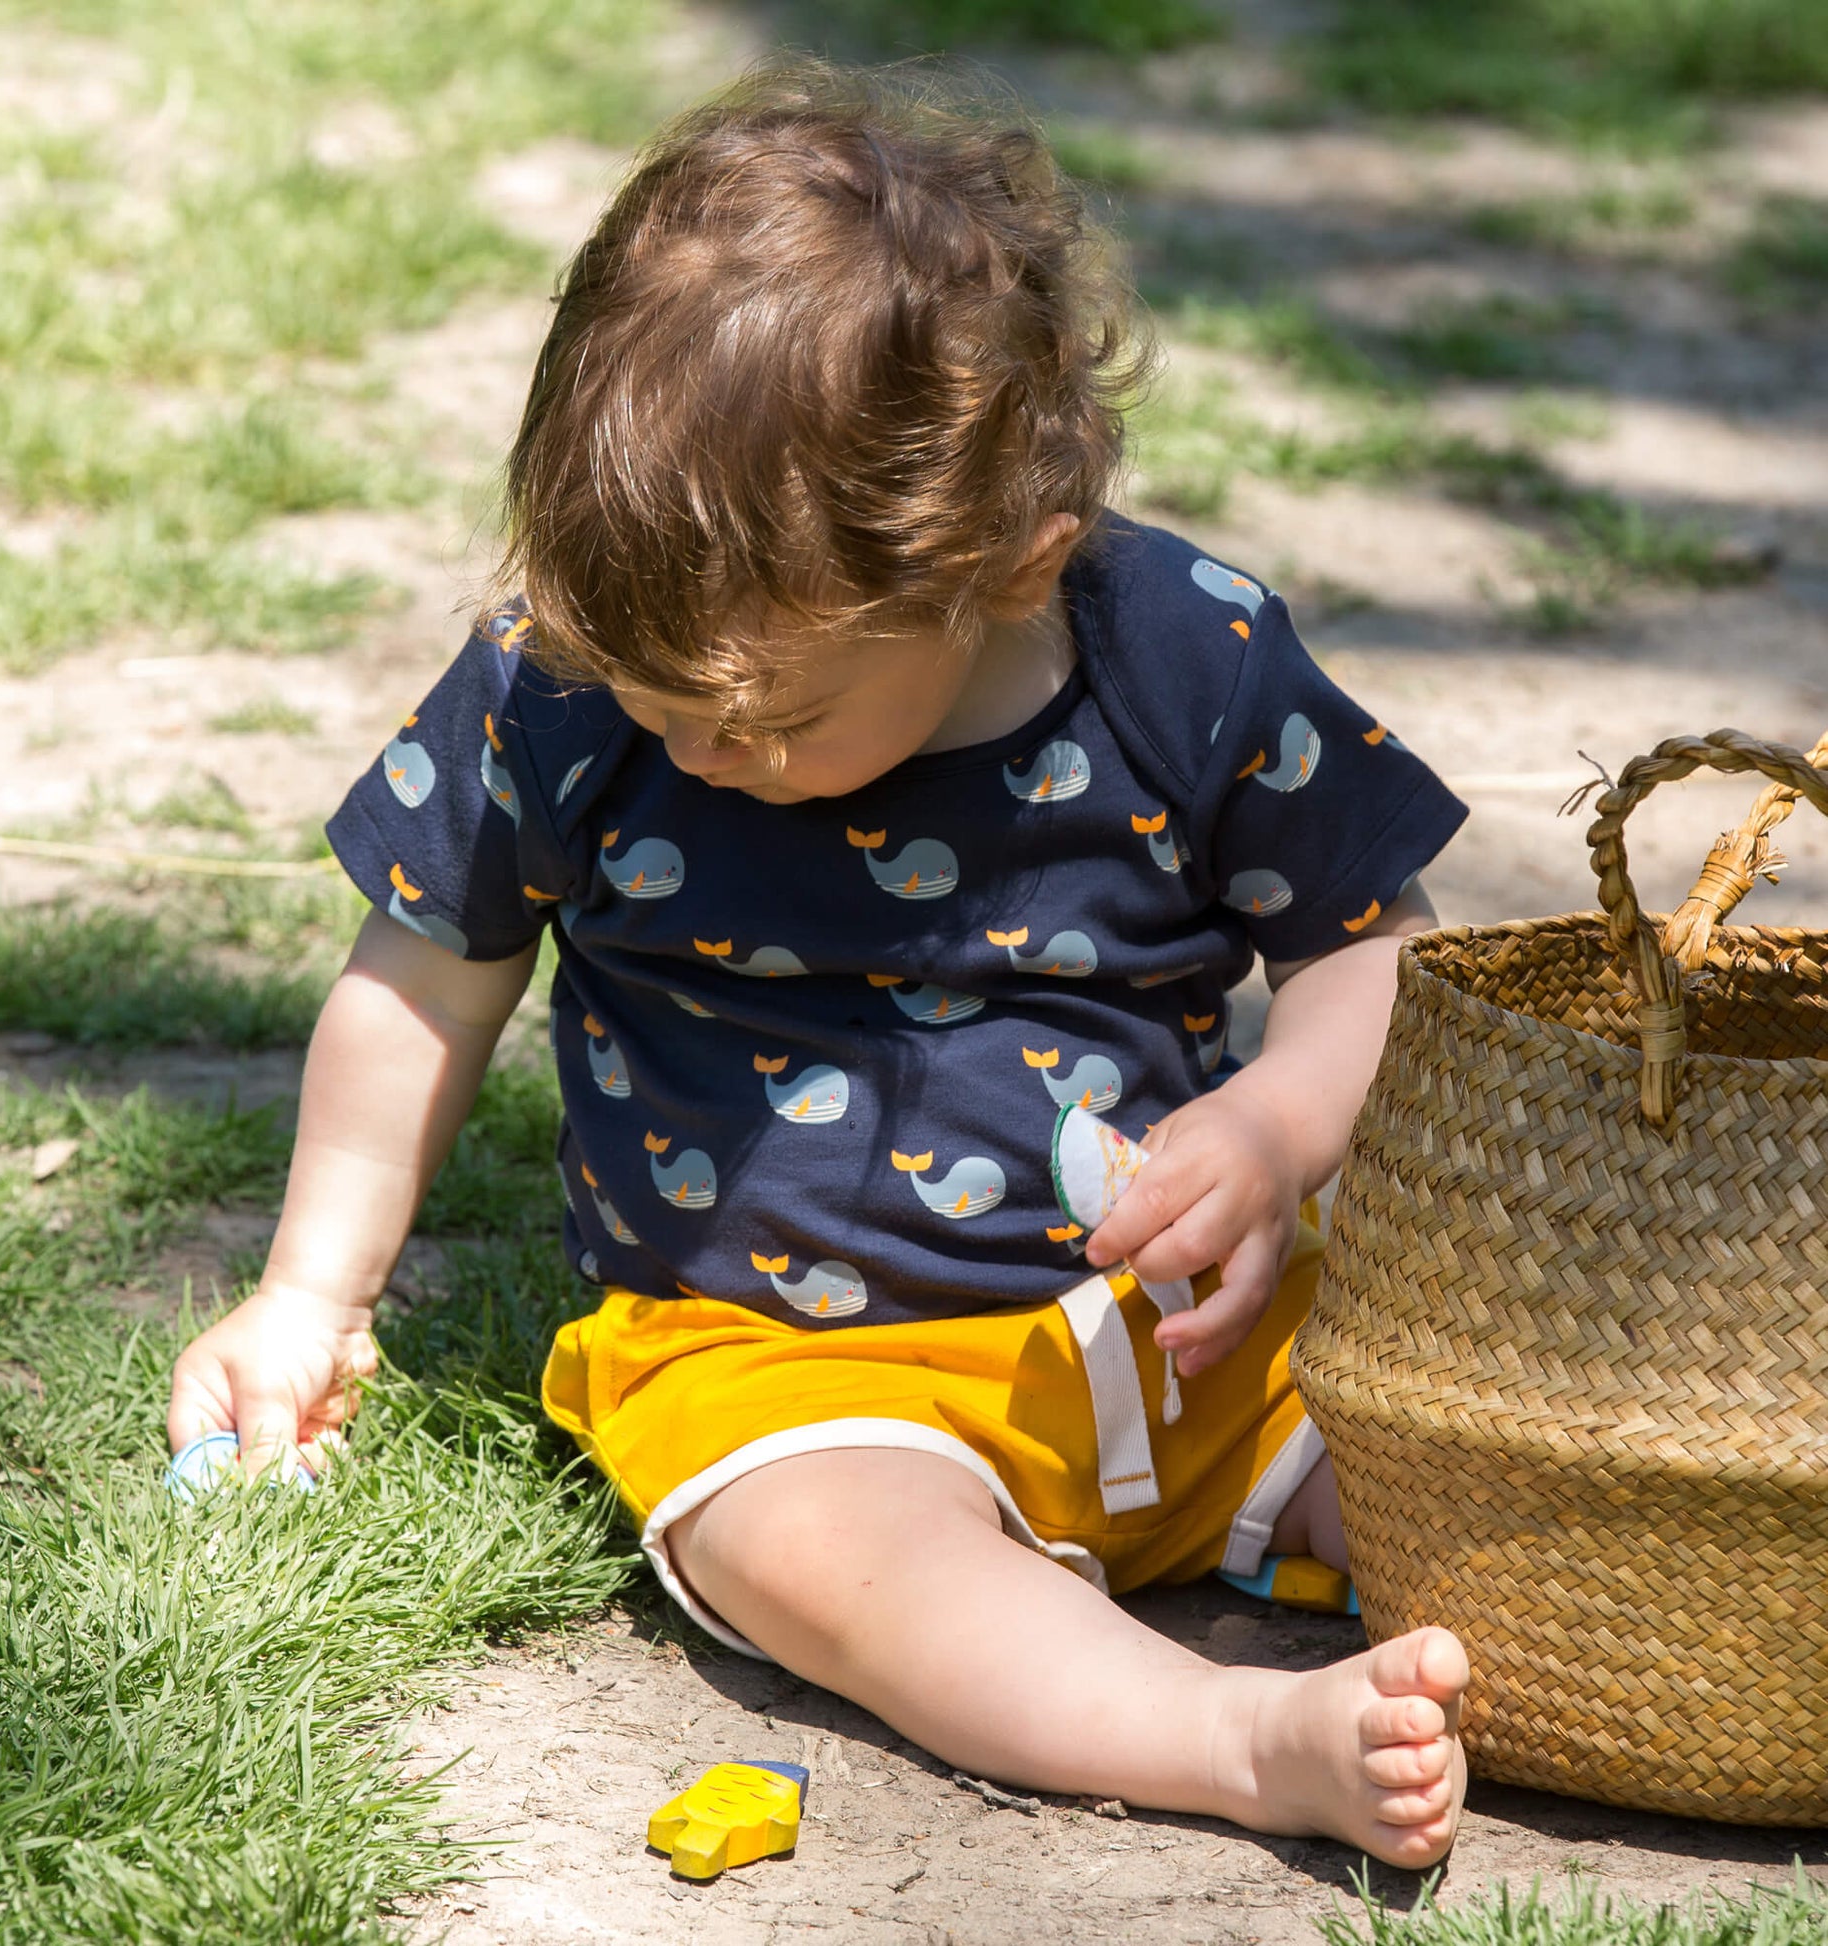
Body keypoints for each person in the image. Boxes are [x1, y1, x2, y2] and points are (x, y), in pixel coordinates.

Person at [168, 60, 1473, 1866]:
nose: (708, 751)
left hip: (1189, 1339)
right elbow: (423, 981)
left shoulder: (1189, 656)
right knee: (847, 1567)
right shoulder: (562, 684)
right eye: (662, 704)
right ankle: (1240, 1737)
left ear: (1012, 563)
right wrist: (310, 1296)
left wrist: (1272, 1127)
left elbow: (1372, 950)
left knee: (1492, 1476)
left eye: (775, 715)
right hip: (781, 1361)